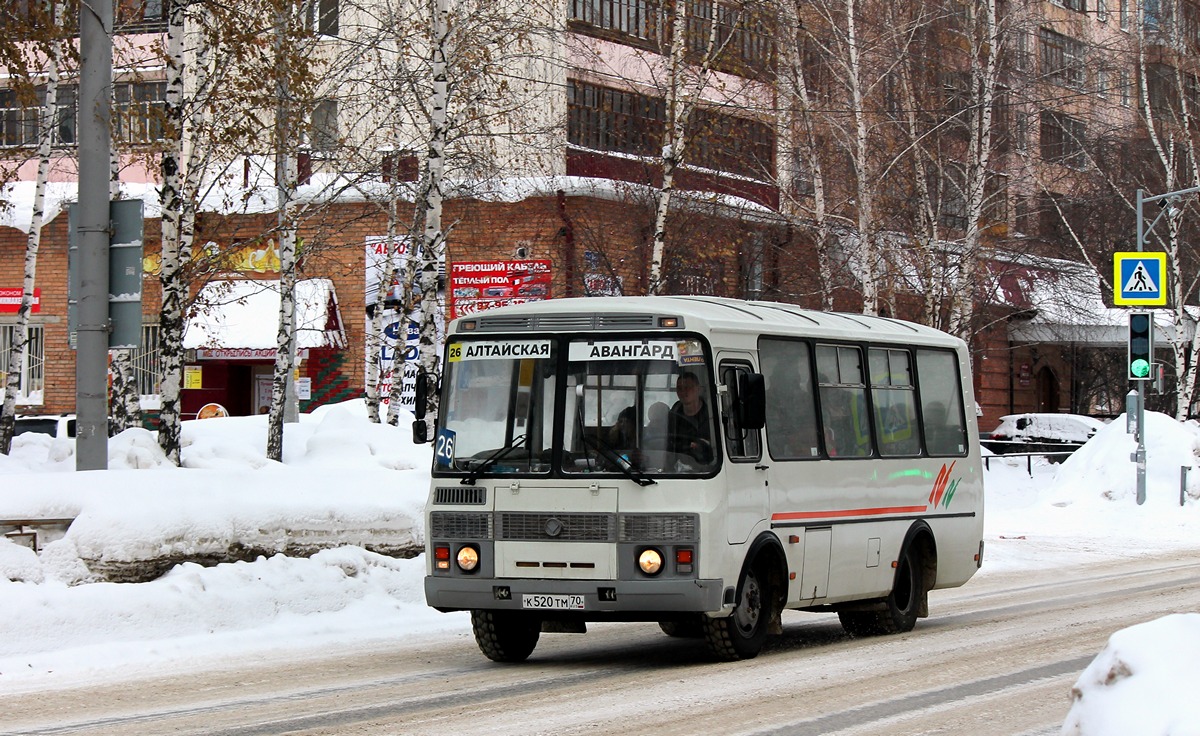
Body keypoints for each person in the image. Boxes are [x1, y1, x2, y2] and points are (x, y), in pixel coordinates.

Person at [668, 373, 714, 463]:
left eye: (687, 387)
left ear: (698, 389)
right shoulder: (674, 413)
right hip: (676, 465)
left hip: (705, 468)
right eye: (679, 388)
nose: (682, 391)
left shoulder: (711, 415)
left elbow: (716, 447)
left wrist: (701, 446)